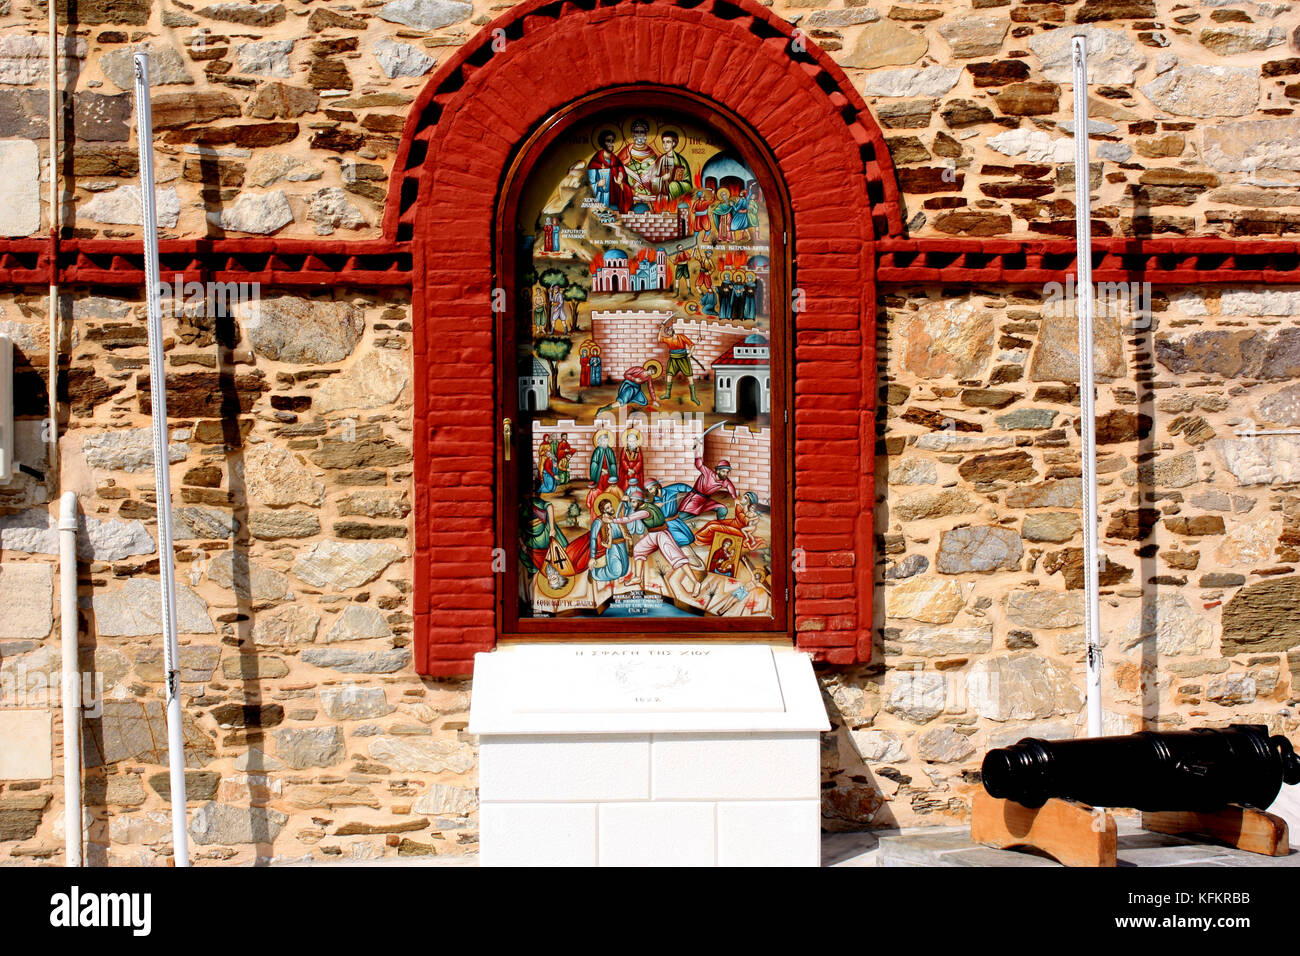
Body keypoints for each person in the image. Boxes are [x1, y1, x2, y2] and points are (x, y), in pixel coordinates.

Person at [679, 440, 737, 518]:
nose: (725, 474)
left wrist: (735, 498)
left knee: (723, 509)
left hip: (705, 501)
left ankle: (720, 527)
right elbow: (699, 464)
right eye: (723, 471)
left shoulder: (724, 480)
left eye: (727, 472)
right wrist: (697, 449)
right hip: (694, 499)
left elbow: (730, 487)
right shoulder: (708, 473)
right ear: (717, 470)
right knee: (681, 516)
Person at [588, 492, 631, 584]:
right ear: (603, 510)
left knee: (624, 570)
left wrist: (626, 502)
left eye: (611, 506)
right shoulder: (599, 521)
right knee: (616, 572)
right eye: (608, 508)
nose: (611, 508)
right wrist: (592, 557)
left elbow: (628, 513)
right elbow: (593, 538)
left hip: (622, 546)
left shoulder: (615, 518)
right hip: (612, 548)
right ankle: (594, 573)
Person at [587, 129, 633, 212]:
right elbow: (588, 186)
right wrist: (597, 184)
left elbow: (625, 185)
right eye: (608, 141)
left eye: (612, 141)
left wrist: (621, 184)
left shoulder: (617, 162)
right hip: (600, 203)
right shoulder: (595, 162)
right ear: (602, 143)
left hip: (615, 204)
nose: (611, 144)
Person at [596, 360, 661, 416]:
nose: (651, 373)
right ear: (649, 369)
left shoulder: (649, 378)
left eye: (653, 373)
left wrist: (654, 400)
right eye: (651, 371)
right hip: (629, 385)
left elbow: (650, 388)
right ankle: (602, 409)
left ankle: (628, 401)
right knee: (622, 402)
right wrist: (634, 379)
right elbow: (626, 374)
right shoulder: (638, 369)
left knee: (644, 402)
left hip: (636, 389)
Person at [617, 119, 659, 204]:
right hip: (630, 195)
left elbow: (659, 173)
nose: (639, 134)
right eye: (636, 132)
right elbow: (617, 172)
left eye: (642, 132)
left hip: (650, 196)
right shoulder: (625, 153)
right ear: (632, 134)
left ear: (646, 134)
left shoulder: (653, 153)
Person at [659, 317, 699, 406]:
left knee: (690, 376)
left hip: (683, 358)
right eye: (667, 332)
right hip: (673, 359)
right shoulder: (668, 339)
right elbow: (659, 339)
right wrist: (661, 328)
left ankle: (693, 396)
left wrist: (689, 354)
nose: (668, 332)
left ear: (672, 330)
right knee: (669, 375)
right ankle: (667, 394)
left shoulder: (681, 337)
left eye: (669, 330)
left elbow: (692, 345)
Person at [651, 130, 693, 205]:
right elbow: (652, 179)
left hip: (676, 197)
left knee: (673, 185)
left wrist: (674, 186)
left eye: (668, 142)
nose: (665, 145)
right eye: (663, 142)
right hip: (662, 197)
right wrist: (662, 179)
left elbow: (688, 184)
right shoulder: (660, 160)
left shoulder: (681, 161)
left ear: (674, 143)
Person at [617, 428, 645, 495]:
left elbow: (640, 461)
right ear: (627, 441)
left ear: (636, 441)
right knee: (625, 484)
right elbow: (622, 460)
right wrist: (628, 469)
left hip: (636, 472)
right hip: (626, 471)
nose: (632, 443)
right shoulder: (624, 449)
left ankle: (636, 494)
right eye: (630, 441)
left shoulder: (638, 449)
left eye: (633, 441)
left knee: (636, 483)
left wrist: (634, 470)